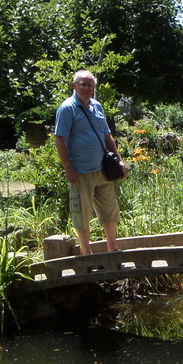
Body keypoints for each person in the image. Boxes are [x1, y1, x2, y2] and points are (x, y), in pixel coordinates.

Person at [54, 70, 128, 254]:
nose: (86, 88)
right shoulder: (67, 108)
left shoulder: (97, 106)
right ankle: (87, 255)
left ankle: (113, 249)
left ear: (94, 87)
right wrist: (68, 168)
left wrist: (119, 161)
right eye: (83, 84)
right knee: (82, 215)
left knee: (109, 211)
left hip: (103, 169)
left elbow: (107, 136)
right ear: (74, 85)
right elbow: (60, 139)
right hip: (81, 172)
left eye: (90, 85)